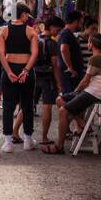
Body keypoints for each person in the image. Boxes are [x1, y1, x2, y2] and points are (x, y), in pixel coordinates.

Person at [51, 33, 101, 154]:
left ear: (90, 44)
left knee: (63, 111)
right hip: (96, 91)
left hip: (95, 92)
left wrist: (76, 91)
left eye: (89, 42)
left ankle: (59, 146)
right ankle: (82, 124)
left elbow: (85, 81)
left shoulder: (95, 59)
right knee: (60, 100)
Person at [0, 2, 39, 153]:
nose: (28, 17)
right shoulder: (31, 32)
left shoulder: (4, 31)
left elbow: (1, 54)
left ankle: (8, 142)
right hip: (25, 71)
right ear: (22, 15)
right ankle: (28, 140)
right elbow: (34, 53)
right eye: (27, 15)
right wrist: (26, 71)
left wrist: (8, 72)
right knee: (27, 105)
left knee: (8, 106)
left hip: (10, 69)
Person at [34, 15, 65, 148]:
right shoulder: (52, 44)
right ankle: (44, 137)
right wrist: (59, 83)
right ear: (51, 28)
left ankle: (16, 132)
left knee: (28, 104)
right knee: (47, 106)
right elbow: (55, 66)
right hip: (48, 78)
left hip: (34, 75)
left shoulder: (36, 39)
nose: (58, 33)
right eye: (57, 30)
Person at [58, 10, 87, 104]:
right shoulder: (66, 34)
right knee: (70, 101)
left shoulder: (67, 34)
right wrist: (70, 67)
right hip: (70, 75)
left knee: (72, 101)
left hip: (71, 74)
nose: (81, 25)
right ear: (75, 22)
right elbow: (64, 49)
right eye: (80, 22)